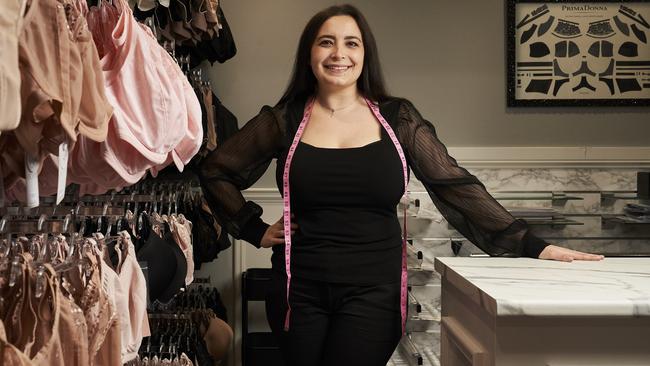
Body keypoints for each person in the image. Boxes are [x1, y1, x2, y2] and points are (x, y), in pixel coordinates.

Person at [197, 4, 604, 365]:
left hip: (374, 291)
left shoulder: (398, 118)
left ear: (365, 54)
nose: (339, 54)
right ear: (309, 55)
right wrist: (253, 228)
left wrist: (535, 245)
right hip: (296, 290)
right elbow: (215, 171)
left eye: (351, 43)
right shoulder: (282, 120)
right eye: (326, 43)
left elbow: (454, 185)